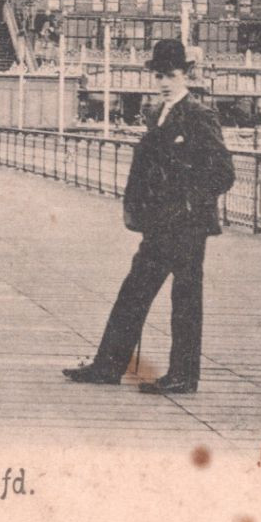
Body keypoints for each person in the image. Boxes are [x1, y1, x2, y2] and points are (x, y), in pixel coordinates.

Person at [63, 39, 234, 395]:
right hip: (160, 224)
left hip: (186, 226)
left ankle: (183, 376)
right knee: (134, 292)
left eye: (170, 75)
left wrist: (188, 201)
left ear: (185, 74)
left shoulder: (199, 115)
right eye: (159, 75)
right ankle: (107, 366)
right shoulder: (158, 113)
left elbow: (223, 173)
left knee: (185, 300)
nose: (164, 82)